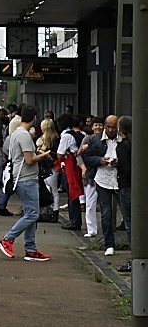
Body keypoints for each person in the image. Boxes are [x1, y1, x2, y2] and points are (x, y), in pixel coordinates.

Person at [0, 103, 53, 261]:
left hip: (20, 178)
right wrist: (44, 155)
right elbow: (29, 160)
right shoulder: (25, 135)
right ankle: (8, 239)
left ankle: (31, 249)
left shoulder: (15, 133)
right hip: (27, 179)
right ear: (35, 118)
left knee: (31, 214)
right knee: (33, 214)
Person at [83, 115, 123, 256]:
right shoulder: (95, 140)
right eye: (109, 127)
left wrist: (119, 162)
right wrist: (100, 160)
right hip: (103, 179)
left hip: (120, 180)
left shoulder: (123, 140)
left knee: (126, 212)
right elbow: (87, 158)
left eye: (114, 127)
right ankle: (109, 244)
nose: (111, 130)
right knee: (106, 213)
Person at [56, 115, 84, 231]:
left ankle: (74, 221)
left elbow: (60, 154)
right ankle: (75, 220)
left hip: (70, 163)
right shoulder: (81, 134)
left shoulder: (66, 136)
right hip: (77, 163)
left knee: (72, 192)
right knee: (75, 191)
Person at [118, 115, 133, 273]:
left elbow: (126, 169)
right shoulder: (132, 144)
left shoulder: (123, 146)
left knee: (129, 224)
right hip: (129, 185)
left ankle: (134, 255)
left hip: (125, 186)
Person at [38, 118, 60, 222]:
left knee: (53, 189)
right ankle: (50, 210)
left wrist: (43, 154)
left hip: (51, 167)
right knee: (49, 188)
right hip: (46, 167)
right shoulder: (45, 139)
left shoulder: (55, 140)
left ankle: (54, 212)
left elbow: (55, 156)